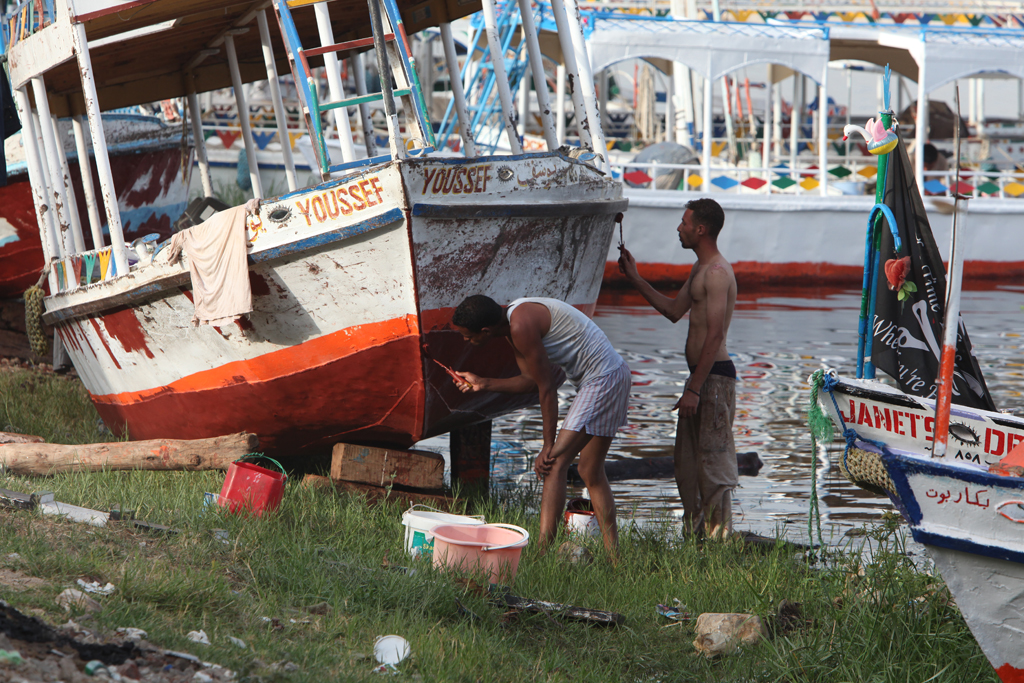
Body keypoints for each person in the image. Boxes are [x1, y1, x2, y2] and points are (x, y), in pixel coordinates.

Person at [450, 295, 631, 556]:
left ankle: (542, 553)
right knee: (590, 470)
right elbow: (529, 381)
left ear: (485, 331)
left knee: (554, 463)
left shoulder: (520, 327)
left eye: (468, 336)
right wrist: (483, 383)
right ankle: (615, 559)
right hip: (613, 374)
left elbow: (547, 389)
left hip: (603, 379)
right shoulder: (513, 324)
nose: (466, 341)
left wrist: (548, 445)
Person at [617, 198, 738, 539]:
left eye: (684, 223)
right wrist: (635, 278)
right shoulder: (700, 269)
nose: (678, 228)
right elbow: (673, 310)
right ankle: (696, 541)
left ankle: (719, 543)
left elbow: (715, 335)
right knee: (687, 466)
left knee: (713, 464)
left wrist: (694, 389)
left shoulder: (716, 272)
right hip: (699, 380)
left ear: (701, 229)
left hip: (711, 381)